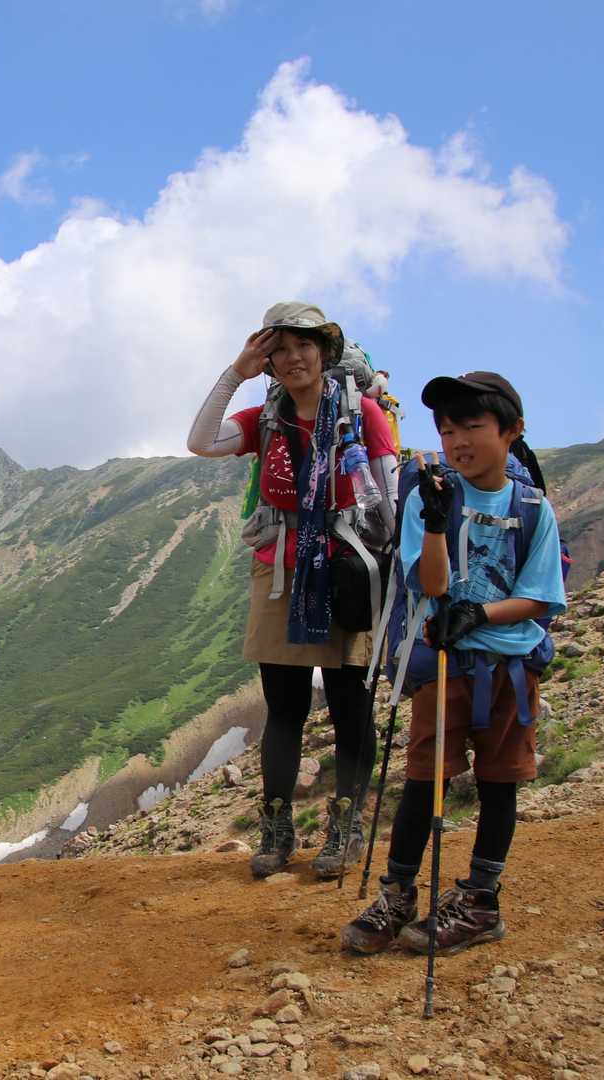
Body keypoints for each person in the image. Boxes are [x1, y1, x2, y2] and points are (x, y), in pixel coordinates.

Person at [341, 371, 566, 955]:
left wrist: (481, 614)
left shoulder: (534, 509)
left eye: (471, 426)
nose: (457, 441)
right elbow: (431, 584)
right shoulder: (430, 498)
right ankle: (398, 894)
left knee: (499, 783)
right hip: (444, 666)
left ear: (512, 431)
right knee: (424, 780)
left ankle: (481, 901)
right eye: (446, 429)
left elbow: (542, 597)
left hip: (511, 667)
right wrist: (438, 525)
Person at [188, 301, 400, 879]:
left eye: (304, 344)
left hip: (346, 571)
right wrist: (235, 373)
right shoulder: (267, 419)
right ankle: (277, 829)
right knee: (283, 709)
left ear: (325, 351)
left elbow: (389, 502)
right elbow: (200, 440)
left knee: (350, 705)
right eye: (279, 349)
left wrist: (394, 578)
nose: (293, 357)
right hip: (279, 573)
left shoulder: (362, 415)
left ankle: (345, 826)